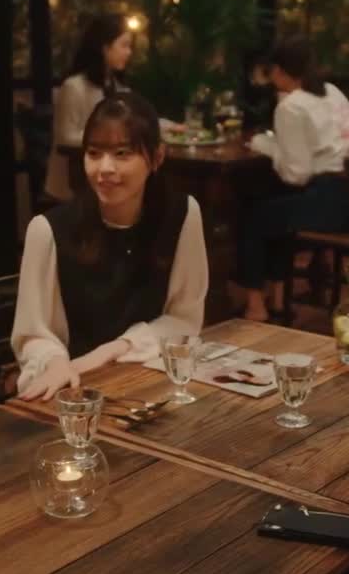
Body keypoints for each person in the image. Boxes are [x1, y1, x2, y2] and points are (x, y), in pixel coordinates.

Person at [13, 92, 208, 400]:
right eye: (93, 153)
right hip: (76, 391)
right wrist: (54, 361)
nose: (104, 168)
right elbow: (32, 335)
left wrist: (116, 349)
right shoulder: (48, 230)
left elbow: (185, 318)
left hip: (153, 384)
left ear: (157, 157)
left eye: (122, 153)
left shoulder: (182, 214)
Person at [237, 37, 349, 321]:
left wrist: (264, 145)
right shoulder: (331, 91)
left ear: (279, 71)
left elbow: (296, 174)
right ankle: (278, 299)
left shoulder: (291, 106)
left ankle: (256, 306)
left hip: (330, 201)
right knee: (277, 210)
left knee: (254, 217)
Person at [45, 13, 135, 203]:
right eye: (124, 45)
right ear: (105, 48)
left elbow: (135, 119)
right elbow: (65, 137)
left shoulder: (117, 86)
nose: (129, 52)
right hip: (72, 181)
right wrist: (110, 138)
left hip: (106, 178)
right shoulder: (74, 87)